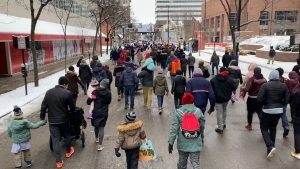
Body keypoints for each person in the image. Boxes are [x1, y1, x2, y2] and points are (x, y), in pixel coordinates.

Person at [40, 76, 76, 168]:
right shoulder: (67, 93)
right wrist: (71, 113)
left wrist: (42, 117)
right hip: (64, 120)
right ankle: (68, 151)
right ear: (65, 84)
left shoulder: (49, 92)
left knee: (55, 140)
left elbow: (43, 106)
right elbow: (72, 107)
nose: (67, 86)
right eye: (67, 84)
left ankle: (59, 162)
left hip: (52, 121)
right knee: (67, 135)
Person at [257, 70, 289, 159]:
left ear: (270, 76)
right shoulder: (284, 86)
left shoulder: (265, 85)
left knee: (263, 128)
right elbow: (287, 100)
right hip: (279, 111)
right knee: (273, 127)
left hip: (267, 110)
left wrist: (265, 103)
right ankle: (271, 148)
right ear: (278, 77)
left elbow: (259, 99)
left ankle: (270, 146)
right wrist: (281, 104)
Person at [168, 93, 205, 169]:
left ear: (183, 101)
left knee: (182, 163)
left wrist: (170, 143)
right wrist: (201, 136)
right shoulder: (198, 111)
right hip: (195, 142)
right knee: (195, 164)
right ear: (192, 101)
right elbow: (202, 125)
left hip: (183, 144)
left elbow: (174, 129)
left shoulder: (178, 112)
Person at [87, 79, 112, 151]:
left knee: (96, 125)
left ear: (100, 83)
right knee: (101, 127)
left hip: (95, 112)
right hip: (104, 112)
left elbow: (88, 102)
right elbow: (108, 102)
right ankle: (100, 145)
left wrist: (94, 98)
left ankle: (96, 138)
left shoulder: (95, 92)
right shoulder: (108, 92)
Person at [210, 67, 236, 134]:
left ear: (219, 71)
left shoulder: (214, 79)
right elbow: (234, 87)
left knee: (219, 113)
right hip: (226, 98)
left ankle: (220, 127)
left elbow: (211, 89)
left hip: (218, 98)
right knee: (224, 110)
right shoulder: (230, 79)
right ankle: (223, 124)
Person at [276, 67, 289, 137]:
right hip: (284, 100)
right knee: (283, 115)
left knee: (274, 116)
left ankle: (271, 129)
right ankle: (286, 127)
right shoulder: (285, 80)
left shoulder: (275, 80)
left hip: (277, 101)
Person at [290, 80, 300, 159]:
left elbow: (294, 105)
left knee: (297, 134)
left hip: (298, 115)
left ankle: (298, 152)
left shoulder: (297, 92)